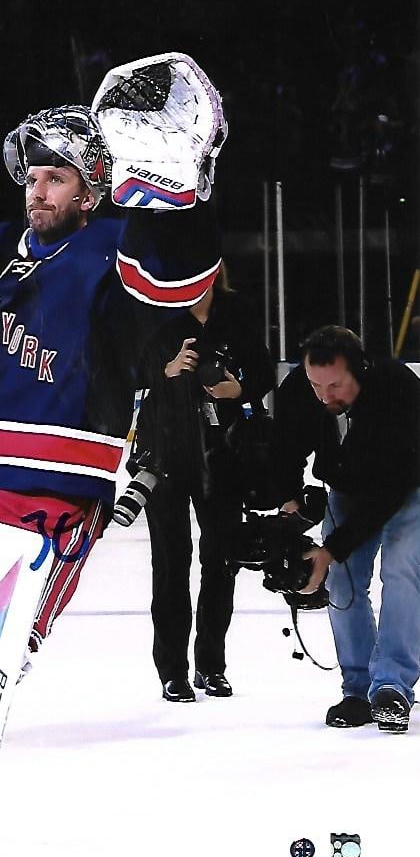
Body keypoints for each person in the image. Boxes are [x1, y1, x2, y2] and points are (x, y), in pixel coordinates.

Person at [0, 53, 229, 669]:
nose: (38, 191)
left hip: (59, 486)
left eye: (57, 178)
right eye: (32, 177)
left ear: (92, 190)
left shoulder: (114, 252)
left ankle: (2, 654)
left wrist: (180, 195)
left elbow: (174, 277)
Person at [132, 267, 275, 702]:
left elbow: (263, 373)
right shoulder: (155, 311)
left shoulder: (239, 311)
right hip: (167, 449)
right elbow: (130, 370)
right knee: (171, 561)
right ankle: (172, 670)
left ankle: (212, 665)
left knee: (220, 559)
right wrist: (168, 369)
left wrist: (239, 389)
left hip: (225, 451)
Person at [274, 325, 420, 733]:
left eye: (335, 385)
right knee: (341, 580)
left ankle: (392, 687)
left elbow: (392, 488)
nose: (324, 396)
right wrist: (290, 500)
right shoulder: (301, 390)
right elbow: (284, 447)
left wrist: (332, 546)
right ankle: (357, 689)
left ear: (361, 369)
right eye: (315, 384)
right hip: (347, 486)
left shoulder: (397, 388)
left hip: (408, 486)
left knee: (402, 569)